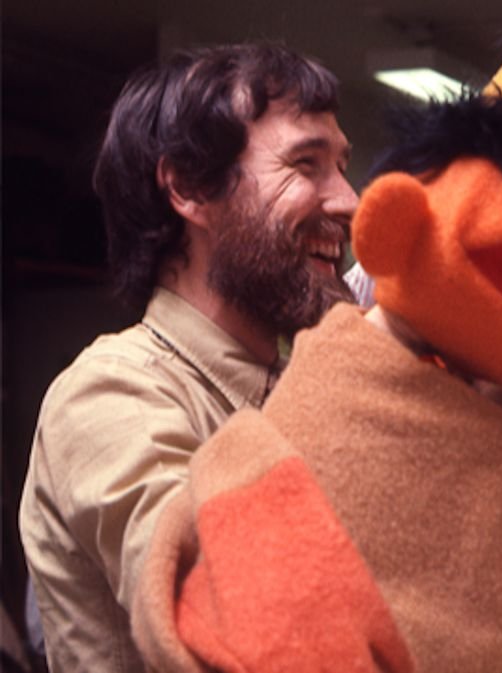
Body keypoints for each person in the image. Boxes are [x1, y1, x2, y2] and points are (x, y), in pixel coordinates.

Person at [19, 42, 357, 673]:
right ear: (190, 187)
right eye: (306, 164)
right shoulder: (108, 393)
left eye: (341, 165)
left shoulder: (296, 386)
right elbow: (240, 619)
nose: (349, 200)